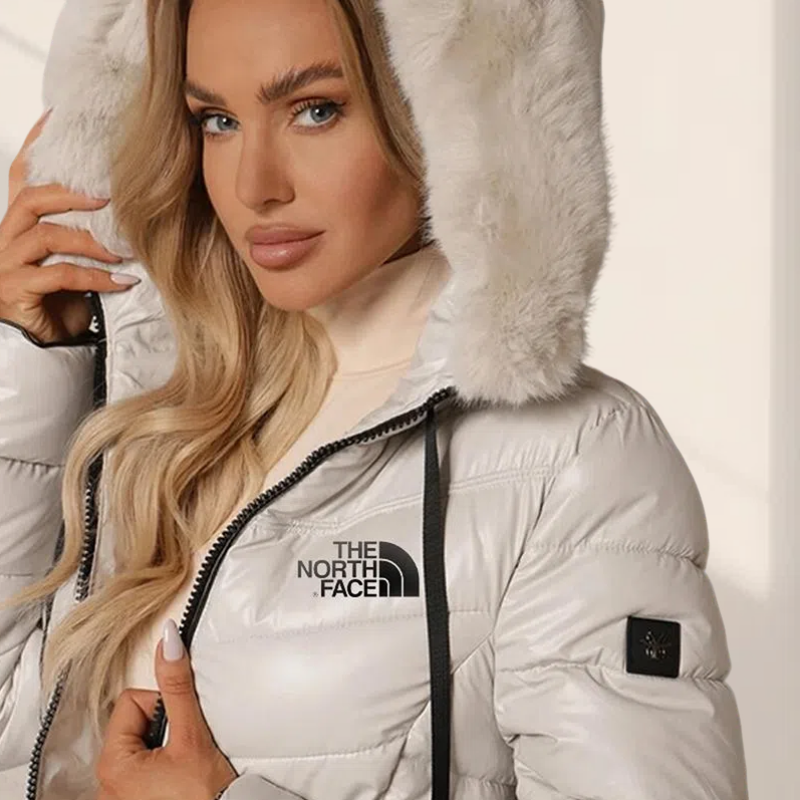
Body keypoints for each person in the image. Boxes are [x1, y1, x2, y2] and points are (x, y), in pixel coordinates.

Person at [0, 0, 749, 799]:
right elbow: (19, 720)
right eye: (217, 121)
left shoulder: (574, 461)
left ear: (452, 109)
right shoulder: (174, 423)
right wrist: (34, 355)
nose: (255, 185)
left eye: (316, 110)